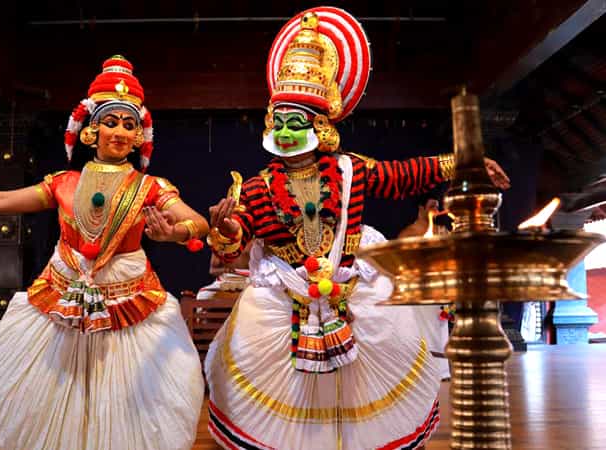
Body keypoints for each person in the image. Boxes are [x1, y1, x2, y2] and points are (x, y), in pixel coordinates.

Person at [204, 8, 511, 450]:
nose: (287, 131)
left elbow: (404, 174)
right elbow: (239, 237)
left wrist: (462, 162)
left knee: (394, 341)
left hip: (349, 292)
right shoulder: (257, 186)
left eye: (298, 122)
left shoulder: (351, 171)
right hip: (285, 297)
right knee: (252, 347)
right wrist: (228, 228)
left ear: (321, 126)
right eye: (280, 121)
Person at [0, 56, 208, 450]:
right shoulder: (64, 183)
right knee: (60, 388)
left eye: (130, 125)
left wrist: (176, 232)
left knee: (123, 392)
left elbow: (197, 223)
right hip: (65, 296)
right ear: (90, 131)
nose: (120, 131)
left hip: (128, 301)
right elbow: (3, 200)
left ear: (139, 137)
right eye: (111, 122)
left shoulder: (150, 187)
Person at [398, 192, 452, 381]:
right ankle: (427, 370)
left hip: (440, 287)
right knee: (425, 328)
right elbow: (401, 265)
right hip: (418, 289)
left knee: (441, 326)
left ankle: (442, 370)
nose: (436, 210)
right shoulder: (408, 233)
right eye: (432, 206)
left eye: (437, 206)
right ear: (421, 208)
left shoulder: (442, 230)